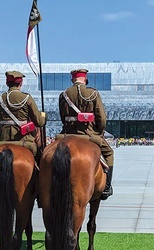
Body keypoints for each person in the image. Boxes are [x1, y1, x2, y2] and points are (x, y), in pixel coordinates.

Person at [59, 68, 114, 200]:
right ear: (85, 79)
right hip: (89, 134)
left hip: (67, 134)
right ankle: (106, 187)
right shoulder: (93, 93)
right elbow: (101, 118)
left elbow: (62, 117)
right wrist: (99, 131)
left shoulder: (64, 94)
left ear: (72, 79)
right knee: (109, 153)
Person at [0, 71, 46, 159]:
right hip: (23, 138)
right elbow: (39, 122)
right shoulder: (26, 98)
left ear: (7, 83)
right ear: (21, 83)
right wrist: (44, 117)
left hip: (2, 138)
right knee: (39, 158)